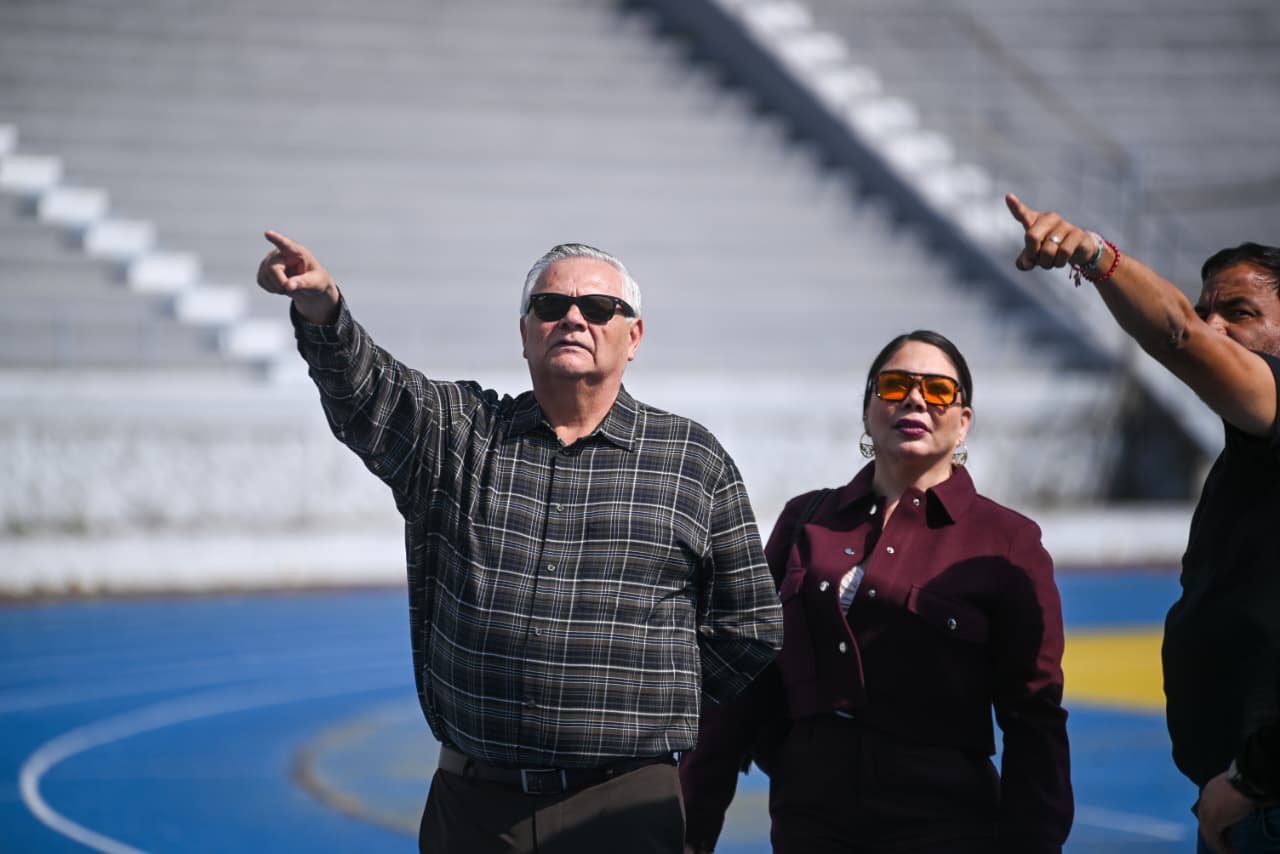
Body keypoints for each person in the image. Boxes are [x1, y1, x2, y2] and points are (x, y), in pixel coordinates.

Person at [255, 232, 784, 854]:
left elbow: (750, 624)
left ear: (633, 336)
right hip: (474, 807)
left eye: (600, 308)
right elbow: (370, 394)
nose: (574, 319)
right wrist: (322, 308)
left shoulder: (691, 461)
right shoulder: (458, 434)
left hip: (624, 807)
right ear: (526, 331)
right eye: (551, 306)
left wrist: (651, 697)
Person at [679, 329, 1073, 853]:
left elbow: (1034, 720)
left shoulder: (1008, 541)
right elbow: (742, 688)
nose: (914, 399)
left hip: (944, 826)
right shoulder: (805, 519)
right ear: (868, 411)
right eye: (894, 385)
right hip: (810, 822)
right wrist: (689, 835)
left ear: (964, 422)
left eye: (937, 390)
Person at [1004, 193, 1280, 854]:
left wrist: (1095, 256)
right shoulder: (1247, 454)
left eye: (1240, 313)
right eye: (1208, 306)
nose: (1215, 326)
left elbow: (1177, 335)